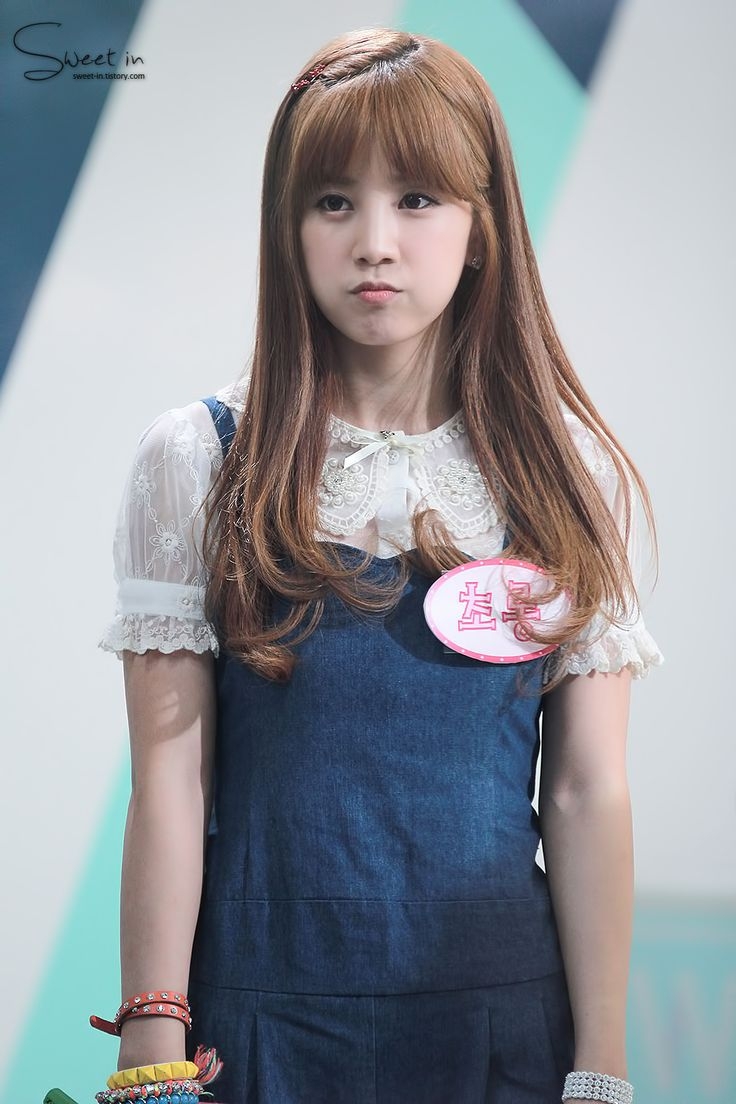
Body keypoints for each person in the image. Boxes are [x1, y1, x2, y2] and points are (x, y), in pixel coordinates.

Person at [96, 27, 663, 1104]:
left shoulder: (567, 469)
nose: (374, 243)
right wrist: (152, 1049)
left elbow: (586, 788)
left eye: (416, 198)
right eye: (332, 201)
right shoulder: (197, 458)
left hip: (502, 1029)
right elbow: (170, 776)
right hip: (256, 1025)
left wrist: (602, 1066)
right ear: (288, 227)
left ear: (481, 226)